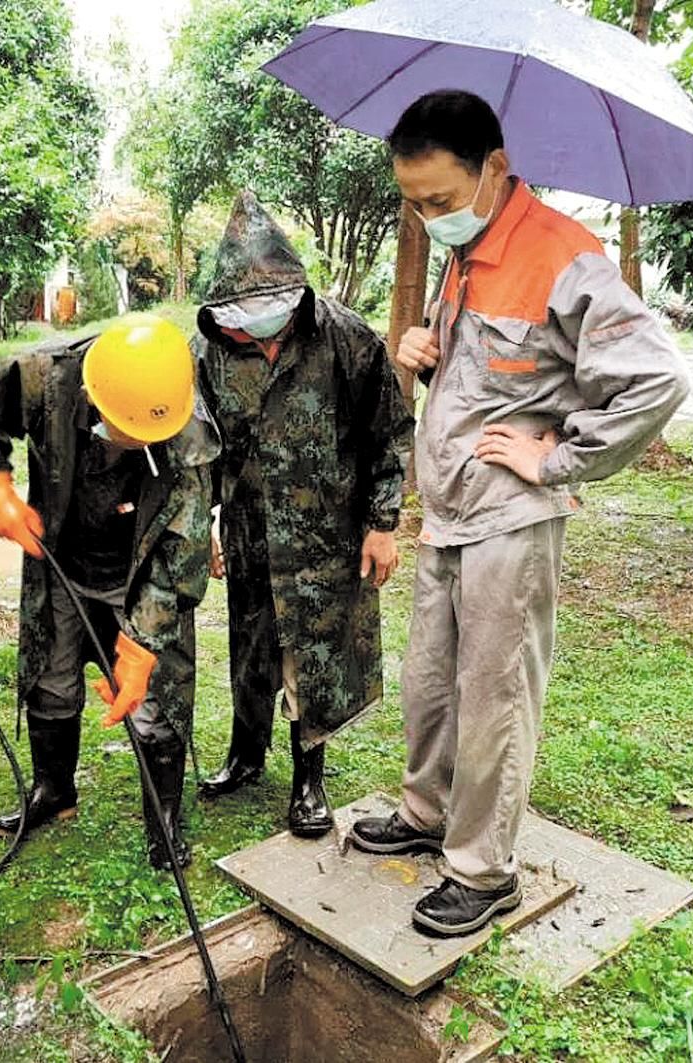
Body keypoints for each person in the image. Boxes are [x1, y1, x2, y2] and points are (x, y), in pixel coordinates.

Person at [350, 90, 690, 935]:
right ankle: (426, 813)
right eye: (414, 204)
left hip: (511, 515)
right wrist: (423, 355)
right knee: (431, 682)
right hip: (449, 509)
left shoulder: (562, 254)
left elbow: (656, 380)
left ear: (492, 169)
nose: (427, 219)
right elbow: (500, 373)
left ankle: (482, 867)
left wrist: (558, 457)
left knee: (494, 693)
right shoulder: (464, 251)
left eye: (437, 200)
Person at [0, 315, 218, 869]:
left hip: (139, 577)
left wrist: (142, 643)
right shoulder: (46, 375)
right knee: (50, 677)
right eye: (123, 430)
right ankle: (54, 791)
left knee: (154, 704)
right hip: (61, 562)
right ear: (95, 396)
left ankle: (163, 820)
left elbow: (184, 552)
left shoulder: (186, 431)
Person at [194, 191, 414, 836]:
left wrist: (382, 524)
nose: (254, 326)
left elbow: (392, 432)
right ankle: (245, 754)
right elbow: (202, 444)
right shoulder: (209, 349)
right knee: (250, 645)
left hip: (327, 538)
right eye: (242, 315)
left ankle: (309, 779)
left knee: (314, 654)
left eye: (267, 312)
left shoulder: (346, 339)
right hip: (248, 531)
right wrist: (208, 521)